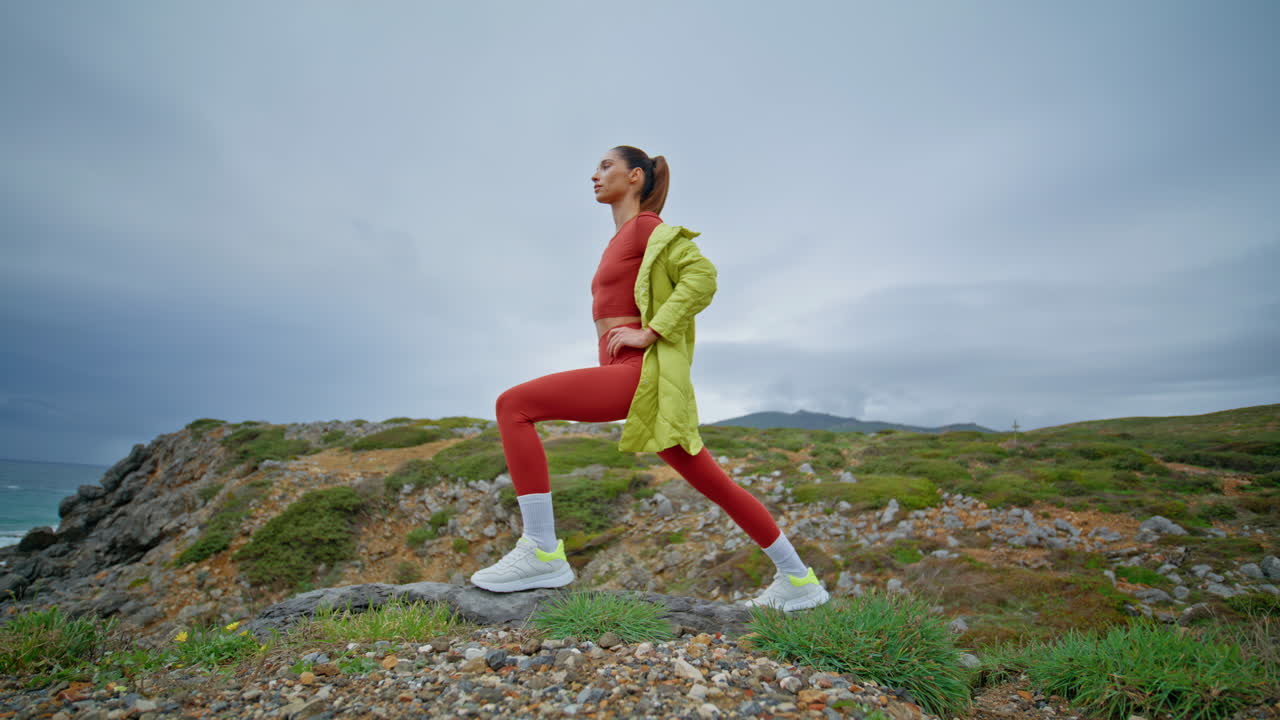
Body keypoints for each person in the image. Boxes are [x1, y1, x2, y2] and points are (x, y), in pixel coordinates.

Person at [470, 145, 831, 612]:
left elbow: (702, 277)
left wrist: (651, 332)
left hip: (637, 373)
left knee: (513, 405)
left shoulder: (647, 228)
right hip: (633, 380)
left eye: (606, 167)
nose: (594, 175)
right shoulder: (620, 238)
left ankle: (541, 550)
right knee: (716, 484)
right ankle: (799, 579)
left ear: (635, 177)